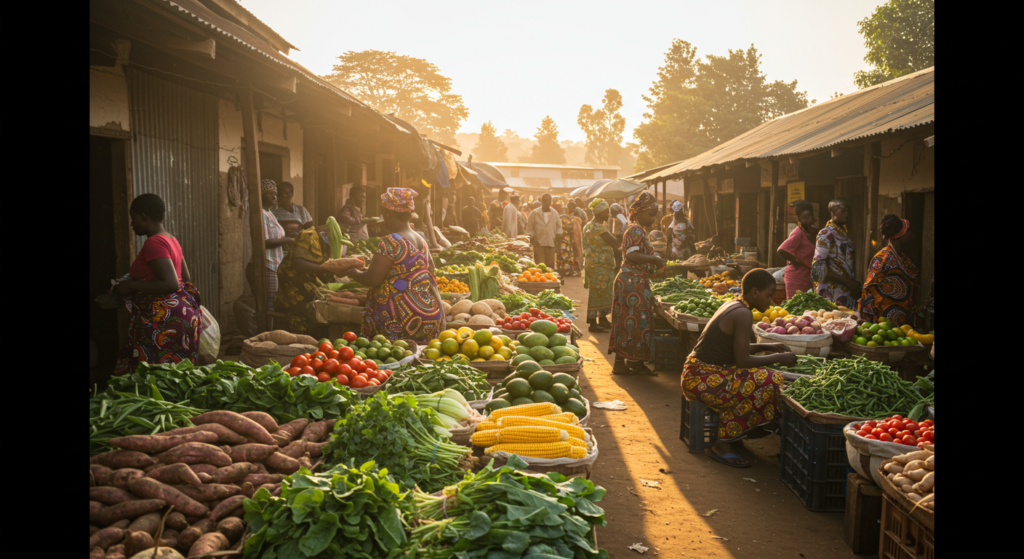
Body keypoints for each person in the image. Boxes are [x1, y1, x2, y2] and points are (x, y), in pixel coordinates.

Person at [682, 269, 797, 467]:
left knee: (762, 378)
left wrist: (769, 346)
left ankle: (735, 433)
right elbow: (742, 359)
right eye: (768, 296)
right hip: (702, 379)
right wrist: (779, 357)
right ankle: (723, 443)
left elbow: (736, 348)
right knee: (771, 380)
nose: (771, 301)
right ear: (754, 292)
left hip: (696, 372)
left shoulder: (735, 305)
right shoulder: (742, 313)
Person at [113, 193, 203, 375]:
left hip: (163, 321)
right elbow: (185, 278)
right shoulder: (171, 239)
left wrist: (130, 286)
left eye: (133, 219)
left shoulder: (153, 243)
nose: (131, 224)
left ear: (144, 217)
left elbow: (170, 283)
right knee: (175, 377)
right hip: (182, 316)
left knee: (154, 377)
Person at [348, 188, 445, 342]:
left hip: (399, 317)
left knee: (391, 360)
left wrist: (350, 271)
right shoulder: (421, 240)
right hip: (427, 314)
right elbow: (425, 272)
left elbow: (373, 279)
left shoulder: (390, 241)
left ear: (388, 215)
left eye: (384, 216)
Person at [608, 191, 665, 375]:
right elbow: (631, 255)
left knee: (636, 322)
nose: (652, 219)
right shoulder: (634, 229)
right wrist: (654, 259)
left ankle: (635, 362)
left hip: (634, 280)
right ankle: (623, 363)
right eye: (650, 214)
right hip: (630, 282)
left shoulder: (639, 229)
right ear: (639, 211)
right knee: (630, 321)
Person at [858, 215, 919, 326]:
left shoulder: (904, 258)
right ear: (900, 234)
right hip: (884, 320)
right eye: (909, 231)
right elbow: (868, 288)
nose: (913, 234)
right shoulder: (882, 258)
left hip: (904, 318)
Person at [275, 224, 334, 335]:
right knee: (307, 311)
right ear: (326, 231)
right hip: (293, 280)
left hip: (306, 279)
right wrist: (325, 268)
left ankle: (313, 337)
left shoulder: (323, 241)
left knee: (321, 300)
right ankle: (299, 338)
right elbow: (297, 263)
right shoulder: (308, 235)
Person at [246, 179, 294, 313]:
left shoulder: (269, 213)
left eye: (275, 194)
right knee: (269, 306)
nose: (275, 197)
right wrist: (287, 240)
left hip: (274, 264)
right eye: (270, 194)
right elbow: (264, 241)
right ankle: (266, 333)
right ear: (261, 196)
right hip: (266, 265)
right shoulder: (260, 214)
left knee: (272, 304)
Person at [811, 198, 861, 307]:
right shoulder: (826, 234)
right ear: (833, 213)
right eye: (842, 210)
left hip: (844, 291)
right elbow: (819, 269)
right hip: (830, 291)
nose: (846, 213)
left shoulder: (843, 234)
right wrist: (848, 282)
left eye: (847, 210)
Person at [583, 199, 620, 332]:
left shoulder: (588, 225)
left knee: (603, 293)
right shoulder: (599, 228)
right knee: (597, 293)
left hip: (594, 265)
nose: (608, 215)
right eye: (606, 212)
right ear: (600, 212)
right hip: (600, 266)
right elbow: (614, 243)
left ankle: (603, 320)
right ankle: (593, 323)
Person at [776, 200, 818, 298]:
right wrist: (796, 260)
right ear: (799, 218)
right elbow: (781, 250)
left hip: (807, 276)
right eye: (805, 217)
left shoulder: (810, 233)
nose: (808, 219)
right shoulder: (798, 233)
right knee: (796, 308)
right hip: (796, 277)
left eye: (810, 216)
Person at [526, 193, 562, 268]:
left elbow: (559, 226)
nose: (546, 202)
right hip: (539, 243)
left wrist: (558, 235)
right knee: (539, 266)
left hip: (550, 242)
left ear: (551, 201)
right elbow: (529, 228)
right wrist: (533, 237)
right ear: (541, 201)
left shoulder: (554, 213)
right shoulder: (534, 213)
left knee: (550, 266)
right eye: (544, 200)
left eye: (548, 200)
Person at [555, 203, 581, 277]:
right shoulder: (570, 219)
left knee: (561, 256)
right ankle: (569, 270)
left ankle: (562, 270)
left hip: (561, 241)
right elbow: (571, 231)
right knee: (569, 256)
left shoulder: (559, 218)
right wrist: (572, 239)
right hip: (568, 241)